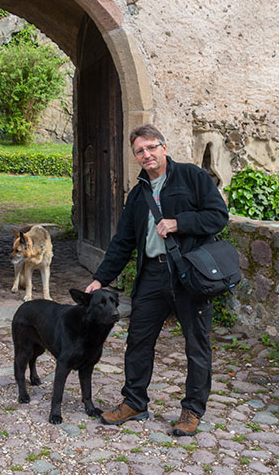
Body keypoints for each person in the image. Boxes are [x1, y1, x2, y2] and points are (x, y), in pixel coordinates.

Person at [84, 124, 228, 436]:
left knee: (197, 345)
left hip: (189, 274)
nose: (146, 154)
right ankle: (134, 402)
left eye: (151, 147)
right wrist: (100, 279)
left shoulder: (192, 177)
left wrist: (179, 223)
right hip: (151, 273)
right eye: (140, 150)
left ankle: (192, 410)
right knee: (138, 340)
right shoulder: (138, 194)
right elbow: (123, 242)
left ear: (164, 148)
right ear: (135, 156)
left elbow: (218, 216)